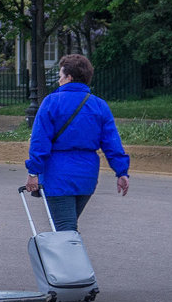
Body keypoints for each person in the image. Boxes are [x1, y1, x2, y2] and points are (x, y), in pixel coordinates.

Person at [24, 54, 129, 231]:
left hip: (58, 176)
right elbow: (112, 143)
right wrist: (122, 172)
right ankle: (66, 256)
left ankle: (69, 258)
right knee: (66, 227)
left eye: (60, 76)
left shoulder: (51, 102)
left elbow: (40, 141)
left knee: (65, 230)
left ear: (69, 77)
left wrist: (33, 171)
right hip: (87, 176)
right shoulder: (99, 105)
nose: (59, 81)